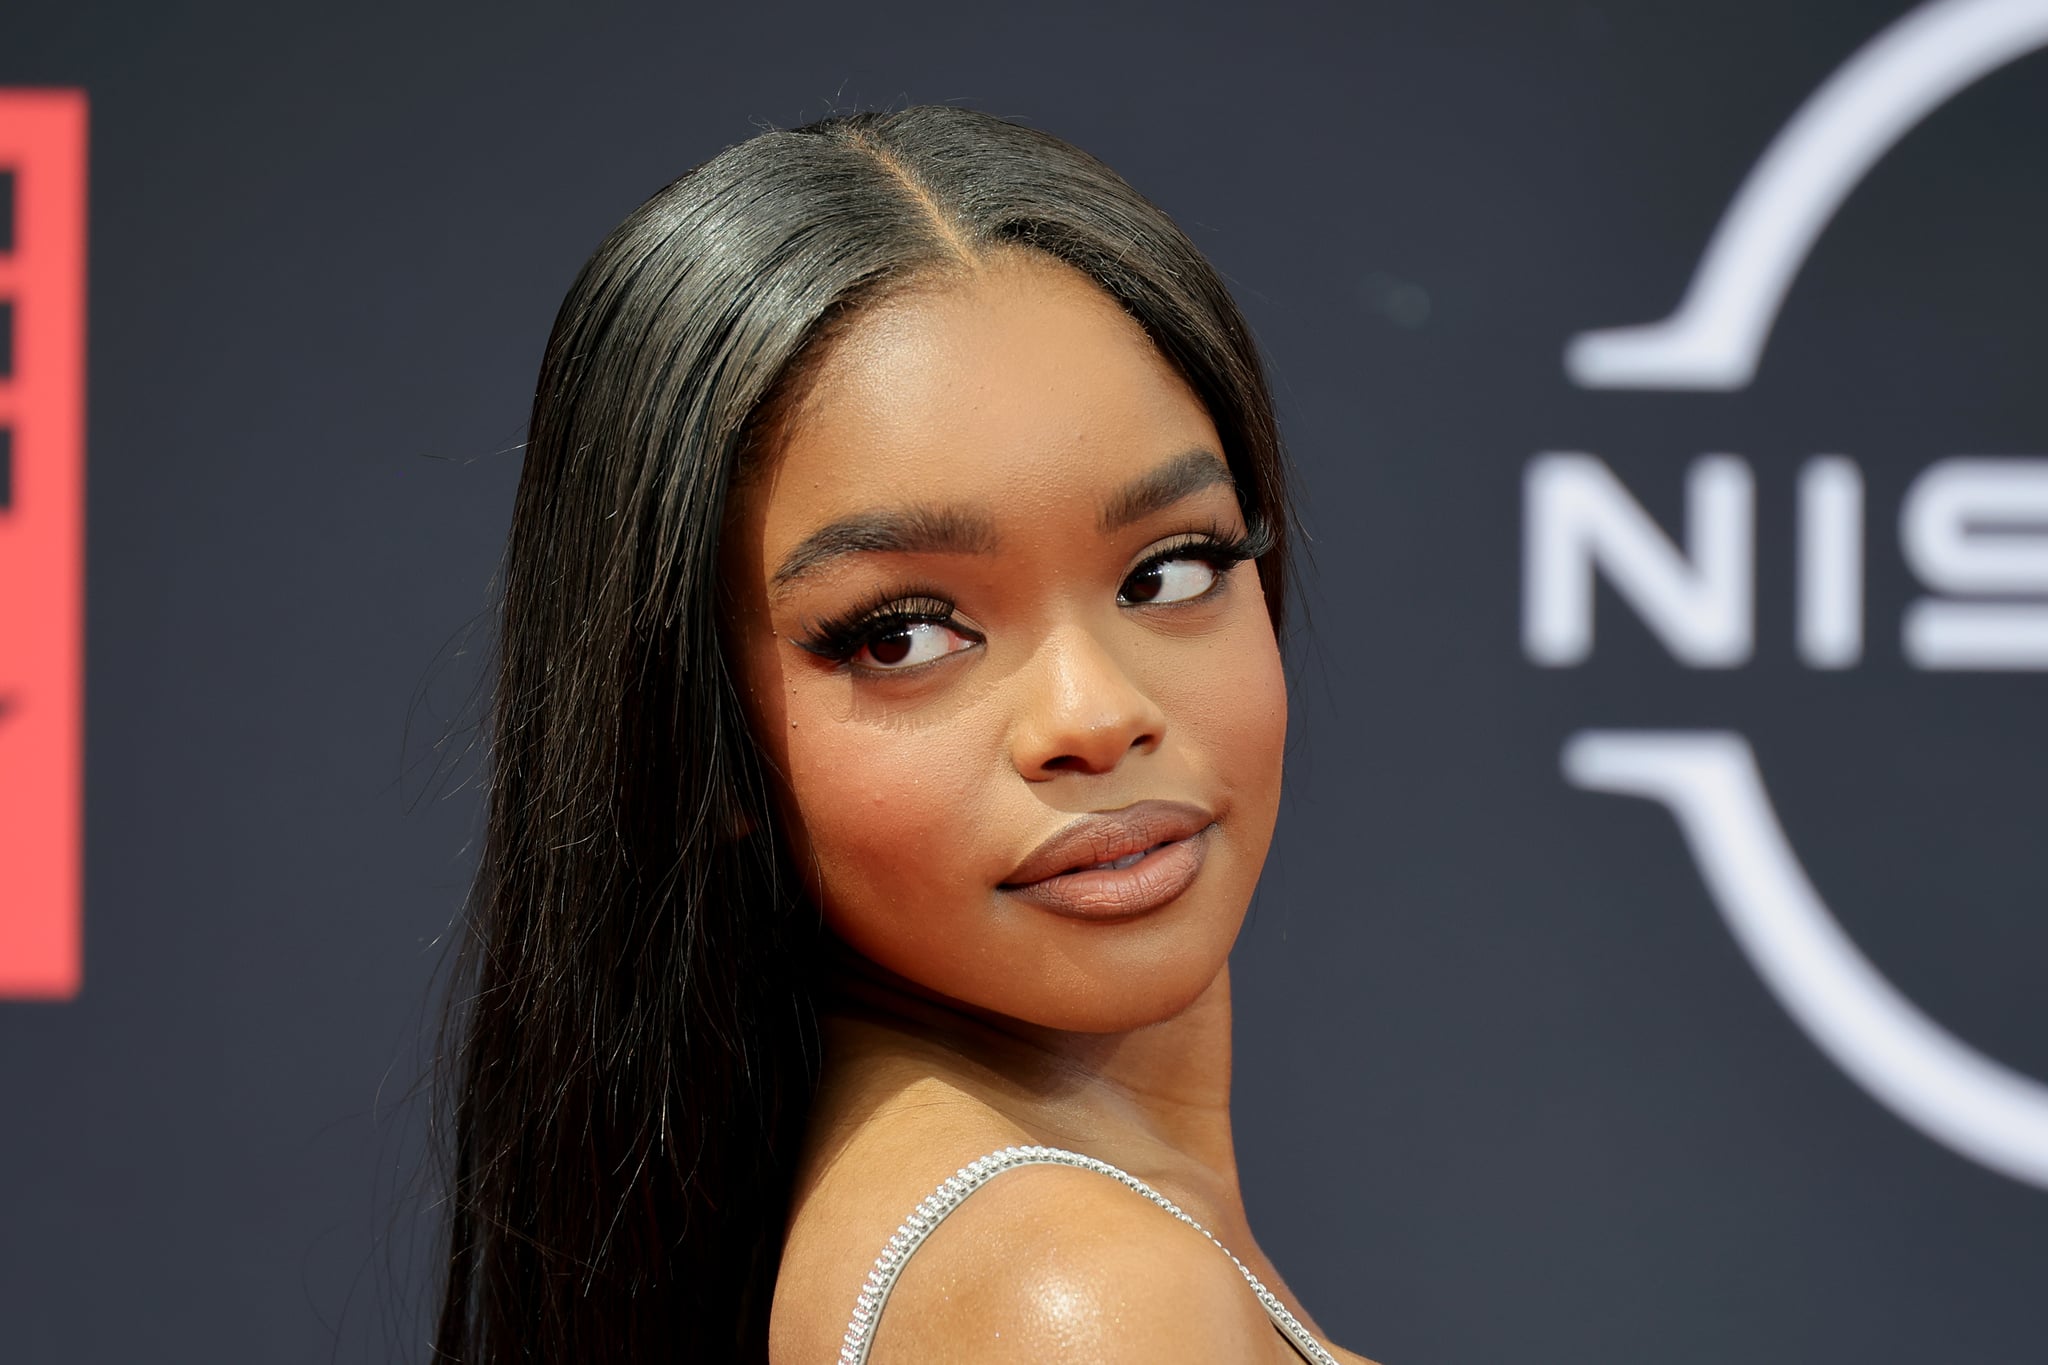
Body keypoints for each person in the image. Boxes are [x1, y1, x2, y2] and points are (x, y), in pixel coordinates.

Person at [432, 104, 1373, 1365]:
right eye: (902, 637)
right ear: (695, 726)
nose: (1095, 716)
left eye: (1168, 570)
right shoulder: (1078, 1303)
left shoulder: (1011, 1247)